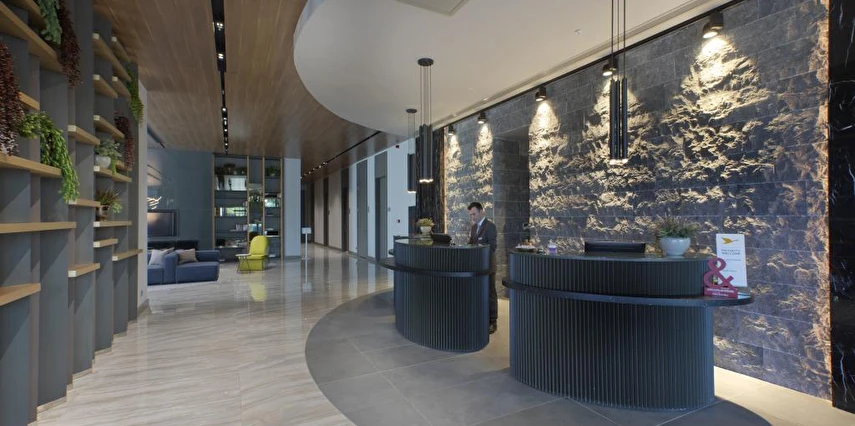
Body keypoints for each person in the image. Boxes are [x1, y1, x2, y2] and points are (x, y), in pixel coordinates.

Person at [467, 201, 498, 334]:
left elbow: (493, 246)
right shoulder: (474, 228)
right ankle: (482, 318)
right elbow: (471, 243)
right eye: (471, 214)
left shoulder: (490, 226)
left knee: (490, 294)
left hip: (488, 267)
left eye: (474, 214)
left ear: (481, 212)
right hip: (477, 268)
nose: (472, 217)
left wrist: (480, 248)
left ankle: (493, 321)